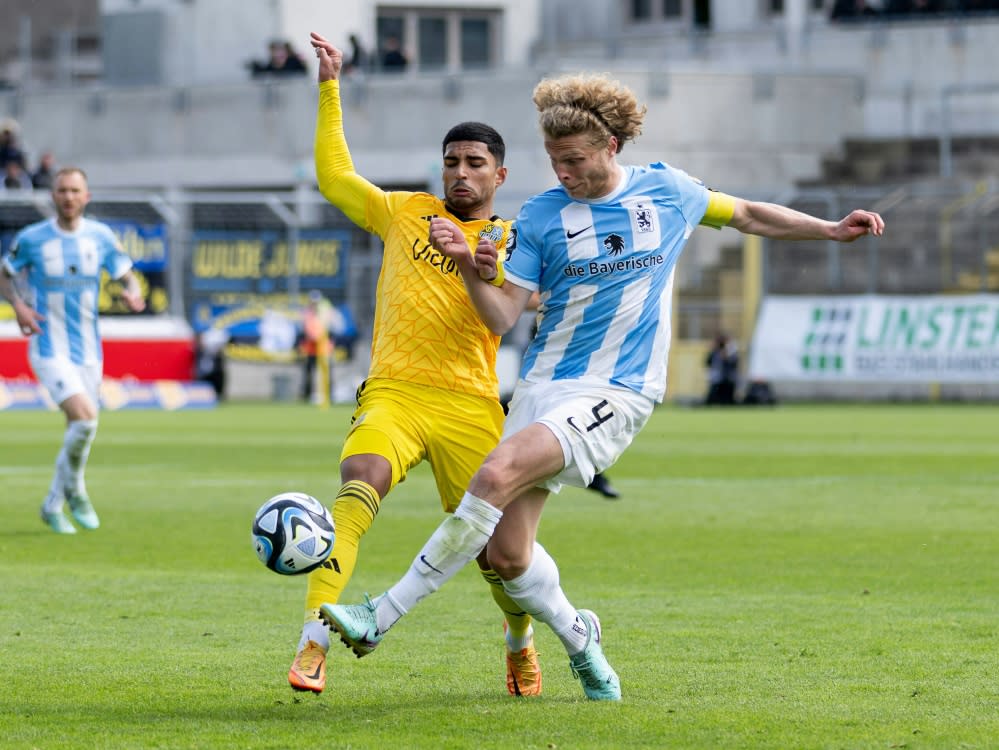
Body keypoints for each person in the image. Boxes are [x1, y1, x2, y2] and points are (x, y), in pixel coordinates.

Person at [320, 72, 885, 701]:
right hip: (544, 387)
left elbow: (748, 214)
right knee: (508, 558)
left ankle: (381, 615)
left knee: (493, 474)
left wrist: (831, 229)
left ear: (612, 146)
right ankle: (579, 636)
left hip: (617, 390)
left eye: (575, 160)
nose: (563, 172)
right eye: (555, 160)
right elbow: (504, 317)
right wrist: (464, 267)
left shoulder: (668, 193)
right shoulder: (540, 217)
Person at [283, 32, 542, 699]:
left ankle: (519, 642)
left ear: (499, 176)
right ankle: (313, 643)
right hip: (394, 392)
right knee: (355, 489)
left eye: (475, 162)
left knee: (496, 555)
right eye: (451, 160)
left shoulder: (512, 240)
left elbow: (523, 305)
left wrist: (492, 267)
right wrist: (329, 87)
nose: (460, 172)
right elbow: (335, 178)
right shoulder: (405, 213)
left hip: (470, 404)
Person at [0, 167, 145, 534]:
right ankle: (77, 493)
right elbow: (5, 272)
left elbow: (124, 270)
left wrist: (132, 290)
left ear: (86, 196)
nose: (68, 196)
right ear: (53, 196)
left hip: (88, 352)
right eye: (62, 190)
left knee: (80, 430)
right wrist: (17, 305)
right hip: (48, 346)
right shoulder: (32, 238)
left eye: (75, 190)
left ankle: (53, 504)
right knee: (85, 418)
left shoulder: (100, 236)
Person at [299, 290, 333, 403]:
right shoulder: (307, 313)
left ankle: (329, 395)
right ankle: (307, 396)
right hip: (311, 349)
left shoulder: (325, 311)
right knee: (309, 373)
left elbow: (328, 327)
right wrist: (314, 336)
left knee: (326, 372)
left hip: (324, 348)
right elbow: (307, 329)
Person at [704, 332, 739, 405]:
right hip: (716, 379)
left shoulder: (732, 351)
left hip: (728, 380)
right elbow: (708, 362)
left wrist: (726, 356)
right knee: (712, 398)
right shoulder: (714, 352)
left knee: (727, 399)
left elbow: (734, 364)